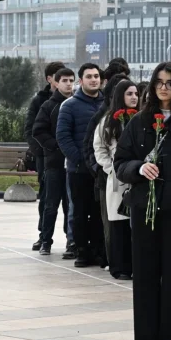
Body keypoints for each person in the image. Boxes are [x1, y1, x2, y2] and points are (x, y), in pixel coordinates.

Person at [114, 63, 171, 340]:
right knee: (146, 274)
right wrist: (138, 168)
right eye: (159, 82)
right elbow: (120, 162)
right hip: (143, 209)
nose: (164, 88)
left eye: (170, 82)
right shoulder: (139, 122)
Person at [57, 63, 106, 268]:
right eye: (89, 77)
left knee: (98, 212)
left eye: (96, 76)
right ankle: (81, 251)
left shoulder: (107, 104)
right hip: (78, 170)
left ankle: (97, 250)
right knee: (79, 212)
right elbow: (63, 137)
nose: (93, 80)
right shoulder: (70, 105)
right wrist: (81, 159)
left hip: (101, 169)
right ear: (81, 81)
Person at [93, 79, 138, 280]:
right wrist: (111, 167)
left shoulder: (140, 118)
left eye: (136, 94)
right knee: (118, 223)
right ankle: (119, 267)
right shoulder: (108, 120)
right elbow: (99, 147)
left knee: (135, 224)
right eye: (129, 94)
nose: (134, 97)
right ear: (120, 96)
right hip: (117, 178)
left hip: (138, 176)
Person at [32, 68, 75, 256]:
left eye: (71, 80)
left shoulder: (76, 104)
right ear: (56, 83)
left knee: (70, 206)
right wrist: (56, 147)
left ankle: (71, 241)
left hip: (73, 164)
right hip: (54, 164)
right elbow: (38, 131)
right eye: (64, 80)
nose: (68, 84)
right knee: (51, 204)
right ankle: (46, 240)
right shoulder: (49, 106)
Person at [25, 61, 65, 251]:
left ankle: (71, 237)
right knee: (47, 198)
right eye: (59, 77)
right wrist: (44, 150)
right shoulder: (40, 101)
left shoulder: (71, 100)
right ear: (50, 79)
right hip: (46, 157)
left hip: (67, 158)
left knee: (68, 199)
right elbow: (31, 130)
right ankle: (43, 235)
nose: (64, 81)